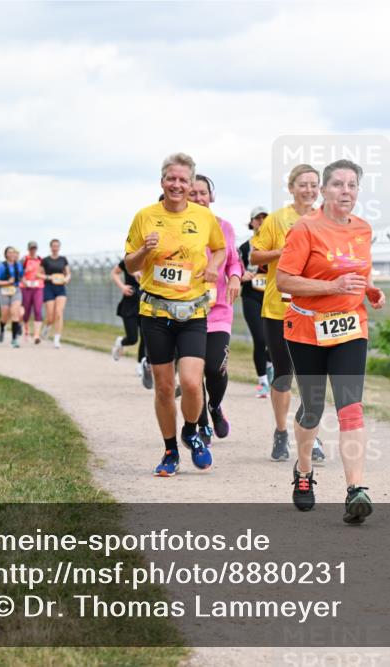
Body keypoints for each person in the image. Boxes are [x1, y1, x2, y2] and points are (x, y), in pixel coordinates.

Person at [276, 159, 385, 524]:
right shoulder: (305, 228)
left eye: (352, 185)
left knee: (350, 407)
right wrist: (331, 287)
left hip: (351, 327)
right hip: (307, 328)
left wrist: (369, 291)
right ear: (323, 190)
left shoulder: (363, 229)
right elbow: (285, 281)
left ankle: (356, 490)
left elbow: (356, 273)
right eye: (337, 185)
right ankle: (304, 472)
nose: (345, 191)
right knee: (311, 409)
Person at [124, 152, 226, 477]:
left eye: (183, 180)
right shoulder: (145, 216)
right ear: (162, 181)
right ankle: (170, 450)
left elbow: (221, 248)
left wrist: (212, 266)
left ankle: (191, 431)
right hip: (155, 311)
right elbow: (130, 264)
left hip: (193, 311)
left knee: (193, 384)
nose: (177, 185)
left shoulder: (204, 218)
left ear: (191, 183)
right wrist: (144, 251)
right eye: (172, 179)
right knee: (165, 387)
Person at [249, 163, 326, 464]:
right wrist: (283, 252)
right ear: (291, 187)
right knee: (283, 375)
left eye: (313, 184)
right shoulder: (277, 219)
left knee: (312, 379)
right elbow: (255, 256)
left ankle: (310, 433)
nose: (308, 190)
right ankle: (281, 431)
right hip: (279, 309)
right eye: (302, 184)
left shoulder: (326, 219)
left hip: (315, 310)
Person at [187, 174, 243, 446]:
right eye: (193, 194)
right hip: (186, 310)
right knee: (193, 373)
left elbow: (234, 262)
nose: (198, 199)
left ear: (212, 196)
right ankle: (203, 426)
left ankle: (215, 405)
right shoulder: (180, 228)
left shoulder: (225, 227)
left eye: (202, 193)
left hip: (219, 310)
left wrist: (234, 277)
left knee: (215, 369)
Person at [238, 206, 272, 398]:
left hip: (272, 296)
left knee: (276, 341)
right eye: (257, 218)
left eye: (264, 218)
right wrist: (243, 275)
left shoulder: (276, 244)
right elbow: (235, 269)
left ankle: (270, 365)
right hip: (251, 296)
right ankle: (263, 382)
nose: (261, 221)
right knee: (260, 339)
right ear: (251, 223)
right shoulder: (244, 247)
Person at [109, 261, 153, 382]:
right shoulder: (129, 261)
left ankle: (140, 365)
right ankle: (121, 342)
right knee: (133, 338)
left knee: (145, 337)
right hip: (129, 303)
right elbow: (114, 273)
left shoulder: (153, 258)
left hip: (146, 303)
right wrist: (122, 287)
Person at [0, 246, 25, 347]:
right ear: (6, 254)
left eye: (13, 252)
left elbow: (21, 277)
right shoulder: (1, 266)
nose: (11, 254)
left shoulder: (18, 265)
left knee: (15, 313)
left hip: (16, 290)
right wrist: (7, 282)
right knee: (5, 316)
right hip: (3, 291)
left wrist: (26, 282)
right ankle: (2, 328)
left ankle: (14, 340)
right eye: (9, 252)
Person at [42, 239, 70, 349]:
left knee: (59, 313)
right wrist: (49, 277)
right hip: (49, 287)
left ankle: (57, 339)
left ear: (59, 247)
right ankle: (48, 326)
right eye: (53, 246)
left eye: (57, 246)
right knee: (50, 316)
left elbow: (68, 273)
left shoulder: (63, 259)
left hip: (60, 288)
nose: (55, 248)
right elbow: (38, 275)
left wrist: (66, 279)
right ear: (51, 247)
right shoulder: (45, 260)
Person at [20, 241, 45, 344]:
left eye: (34, 248)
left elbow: (43, 272)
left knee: (38, 310)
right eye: (31, 248)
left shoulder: (40, 260)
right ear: (28, 249)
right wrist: (24, 280)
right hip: (26, 287)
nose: (33, 250)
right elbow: (19, 272)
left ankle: (36, 335)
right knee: (26, 311)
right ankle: (26, 332)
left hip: (38, 287)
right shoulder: (24, 259)